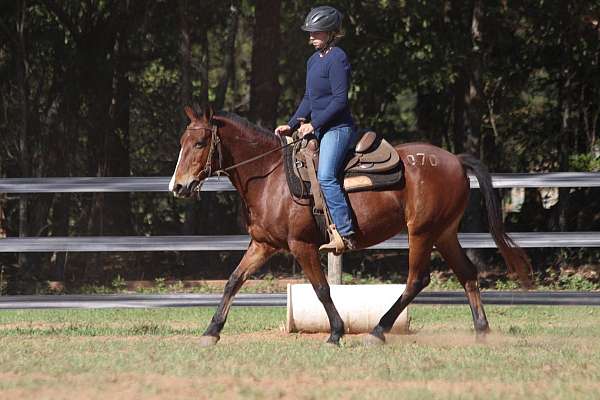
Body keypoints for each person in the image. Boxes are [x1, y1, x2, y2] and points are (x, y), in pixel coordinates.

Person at [275, 5, 359, 253]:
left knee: (325, 176)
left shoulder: (338, 58)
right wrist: (291, 124)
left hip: (338, 128)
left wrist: (314, 124)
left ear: (332, 33)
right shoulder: (312, 61)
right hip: (319, 128)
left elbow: (339, 100)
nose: (311, 36)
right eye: (310, 32)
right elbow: (309, 99)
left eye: (317, 32)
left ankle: (345, 233)